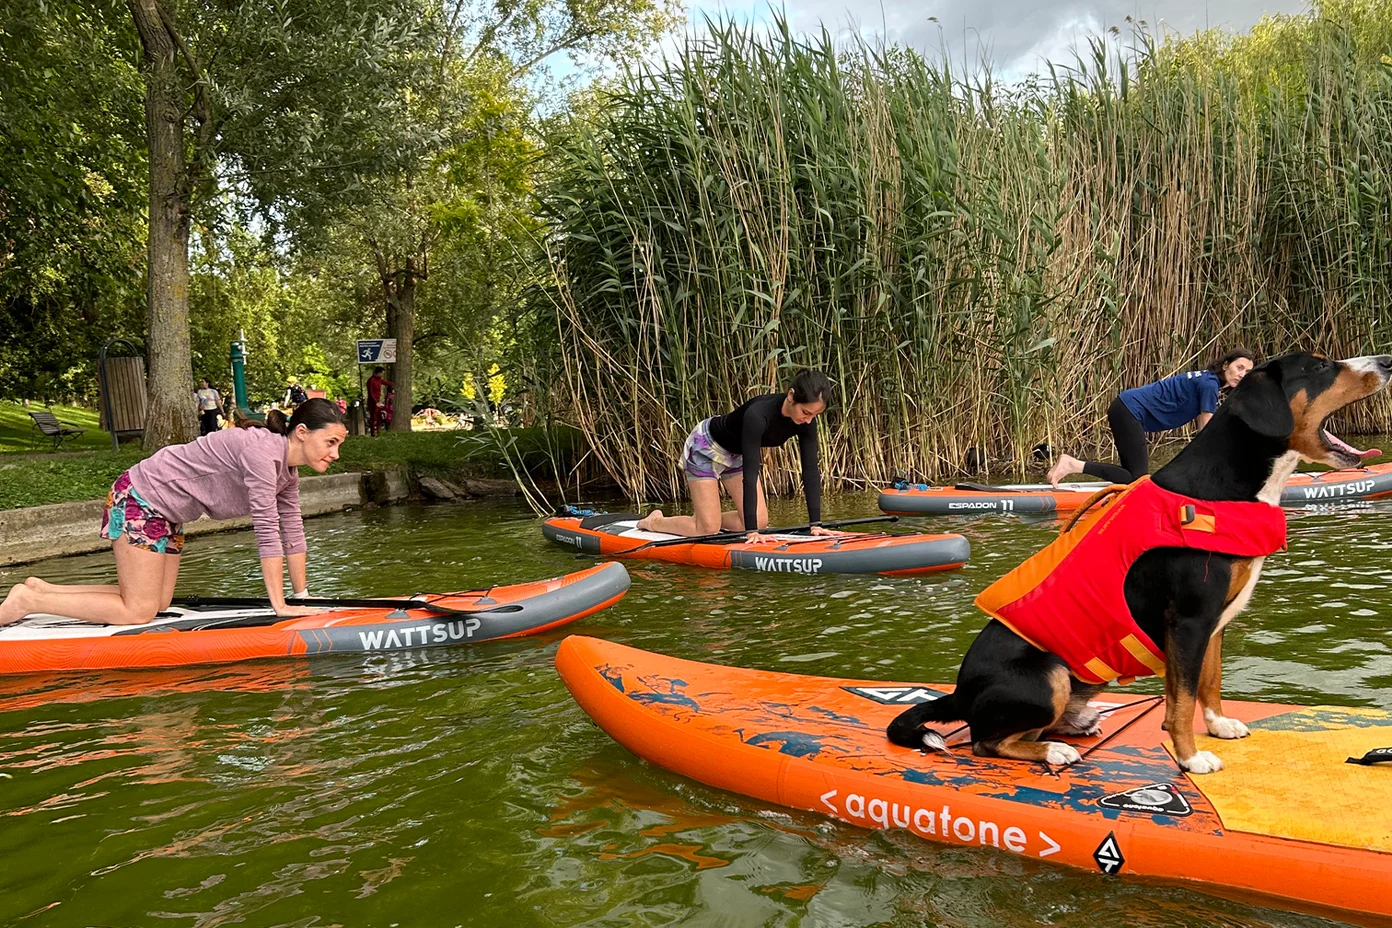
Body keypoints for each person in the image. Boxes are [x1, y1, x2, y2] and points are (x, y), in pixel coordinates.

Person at [0, 399, 348, 627]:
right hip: (141, 498)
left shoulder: (287, 473)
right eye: (330, 442)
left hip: (168, 514)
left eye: (339, 445)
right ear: (301, 432)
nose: (335, 453)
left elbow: (292, 531)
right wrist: (280, 606)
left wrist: (302, 598)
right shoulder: (261, 454)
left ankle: (42, 589)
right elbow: (267, 530)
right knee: (139, 610)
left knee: (159, 602)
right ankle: (28, 601)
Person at [635, 369, 834, 543]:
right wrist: (752, 532)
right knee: (707, 529)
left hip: (735, 454)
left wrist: (815, 525)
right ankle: (655, 521)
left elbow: (810, 470)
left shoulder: (806, 422)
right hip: (705, 447)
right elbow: (751, 474)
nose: (809, 420)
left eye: (814, 415)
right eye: (805, 412)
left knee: (759, 520)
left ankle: (706, 518)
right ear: (791, 396)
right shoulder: (758, 414)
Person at [1046, 348, 1256, 487]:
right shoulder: (1209, 384)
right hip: (1129, 411)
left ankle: (1085, 473)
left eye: (1247, 372)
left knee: (1132, 475)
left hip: (1125, 408)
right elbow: (1206, 429)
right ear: (1225, 365)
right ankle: (1072, 465)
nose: (1242, 374)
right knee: (1137, 479)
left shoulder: (1208, 381)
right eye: (1239, 368)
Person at [366, 366, 393, 436]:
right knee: (373, 417)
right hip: (372, 401)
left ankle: (378, 431)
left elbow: (385, 382)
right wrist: (375, 402)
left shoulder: (379, 380)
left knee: (379, 417)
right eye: (382, 373)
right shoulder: (371, 380)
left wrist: (394, 384)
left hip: (377, 400)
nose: (382, 375)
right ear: (378, 373)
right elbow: (371, 392)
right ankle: (373, 433)